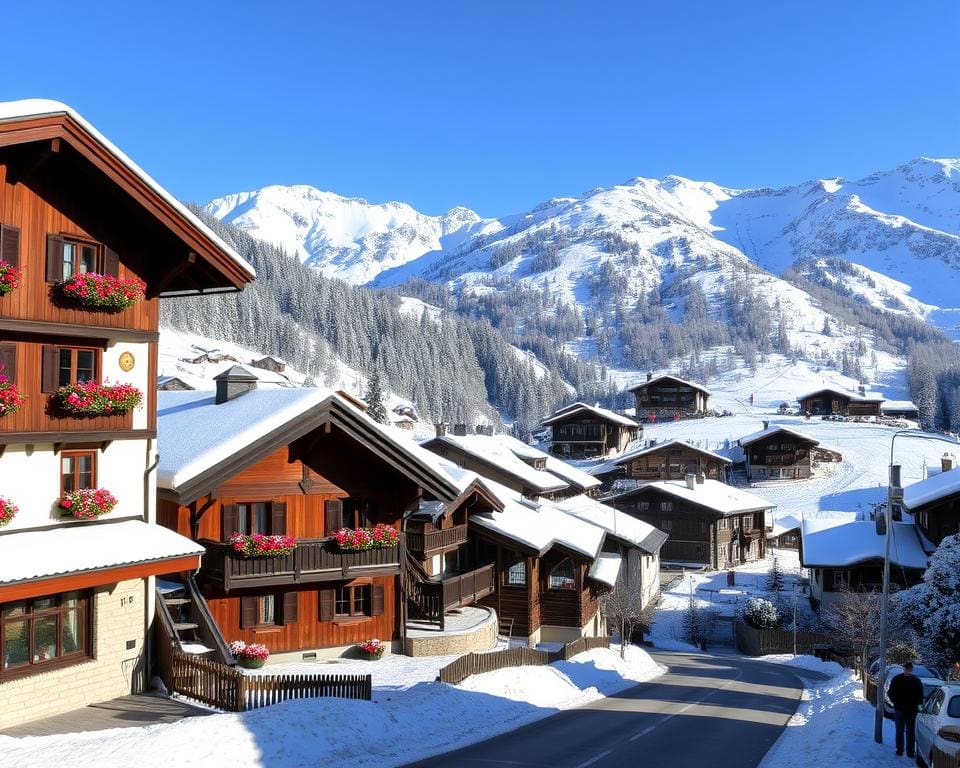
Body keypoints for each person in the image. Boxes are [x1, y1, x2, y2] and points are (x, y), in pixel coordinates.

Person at [887, 662, 925, 758]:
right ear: (904, 669)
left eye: (909, 668)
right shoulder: (898, 679)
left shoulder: (915, 681)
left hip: (909, 710)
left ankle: (907, 751)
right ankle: (903, 750)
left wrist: (919, 708)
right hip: (903, 709)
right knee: (903, 730)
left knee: (907, 731)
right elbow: (890, 693)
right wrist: (895, 703)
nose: (908, 670)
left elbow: (920, 696)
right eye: (907, 668)